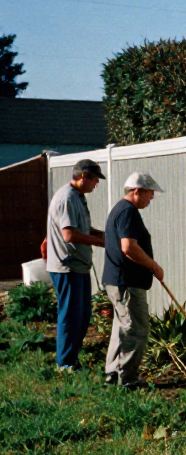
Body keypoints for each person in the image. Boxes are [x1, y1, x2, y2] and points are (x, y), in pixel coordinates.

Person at [102, 172, 166, 388]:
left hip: (118, 280)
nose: (152, 197)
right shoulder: (128, 212)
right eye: (150, 193)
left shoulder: (120, 210)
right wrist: (154, 266)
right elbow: (128, 247)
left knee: (121, 327)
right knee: (136, 329)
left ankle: (112, 373)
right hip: (127, 282)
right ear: (137, 191)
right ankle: (128, 379)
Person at [44, 159, 107, 371]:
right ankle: (65, 363)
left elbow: (83, 229)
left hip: (77, 265)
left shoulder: (77, 197)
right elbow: (69, 234)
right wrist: (100, 242)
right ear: (83, 177)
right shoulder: (68, 198)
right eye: (95, 180)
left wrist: (107, 236)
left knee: (81, 314)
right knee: (70, 314)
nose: (96, 185)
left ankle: (72, 358)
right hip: (66, 265)